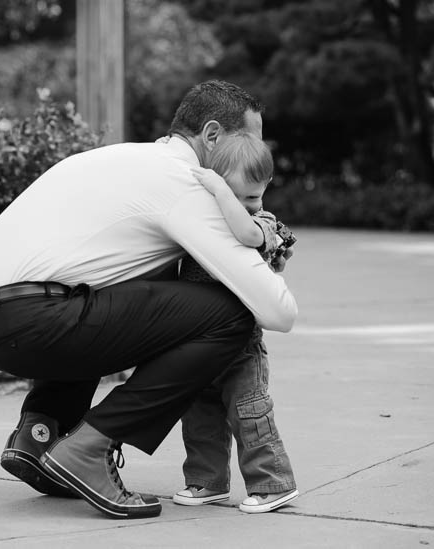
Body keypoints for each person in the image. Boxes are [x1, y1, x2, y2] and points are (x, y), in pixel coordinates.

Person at [0, 80, 298, 520]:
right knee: (229, 314)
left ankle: (40, 432)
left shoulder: (122, 157)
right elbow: (278, 312)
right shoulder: (188, 187)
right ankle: (89, 447)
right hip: (34, 320)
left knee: (121, 285)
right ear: (211, 136)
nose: (256, 155)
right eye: (249, 140)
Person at [167, 133, 299, 514]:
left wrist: (220, 191)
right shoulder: (202, 225)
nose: (246, 205)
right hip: (200, 342)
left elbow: (245, 233)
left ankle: (272, 483)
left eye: (253, 196)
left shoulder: (262, 222)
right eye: (234, 194)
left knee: (250, 414)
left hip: (242, 347)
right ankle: (207, 481)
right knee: (200, 415)